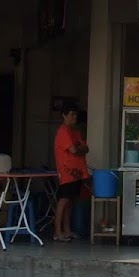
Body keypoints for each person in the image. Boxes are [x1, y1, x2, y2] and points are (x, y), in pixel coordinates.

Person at [53, 102, 90, 242]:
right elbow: (74, 150)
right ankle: (57, 231)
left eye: (76, 114)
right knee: (63, 201)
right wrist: (79, 148)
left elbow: (86, 148)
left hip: (78, 172)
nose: (74, 117)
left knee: (70, 201)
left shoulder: (75, 132)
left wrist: (79, 148)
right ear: (64, 115)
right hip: (67, 172)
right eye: (72, 114)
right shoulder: (63, 131)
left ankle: (67, 230)